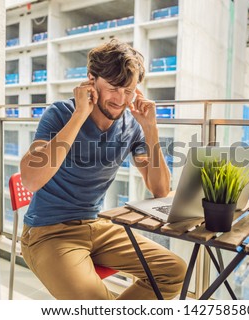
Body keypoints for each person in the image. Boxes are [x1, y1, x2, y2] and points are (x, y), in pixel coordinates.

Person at [19, 39, 186, 300]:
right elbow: (30, 180)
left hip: (97, 225)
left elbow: (160, 188)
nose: (121, 100)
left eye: (129, 91)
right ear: (91, 81)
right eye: (113, 88)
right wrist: (79, 115)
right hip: (48, 232)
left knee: (173, 271)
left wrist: (150, 128)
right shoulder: (61, 113)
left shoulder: (131, 125)